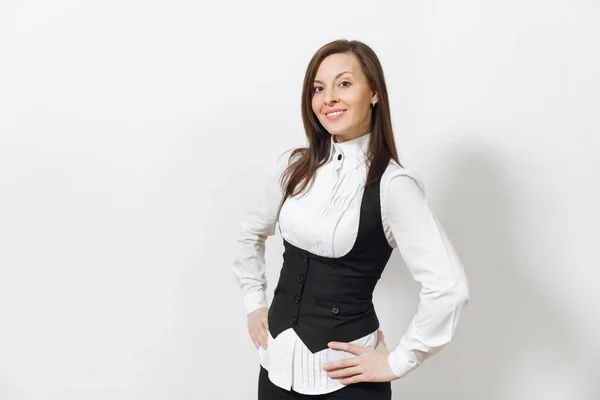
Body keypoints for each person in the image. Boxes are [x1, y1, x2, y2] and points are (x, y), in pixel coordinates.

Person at [232, 39, 470, 399]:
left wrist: (398, 361)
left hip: (348, 385)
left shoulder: (393, 186)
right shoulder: (296, 169)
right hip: (275, 371)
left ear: (373, 92)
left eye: (343, 83)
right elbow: (249, 232)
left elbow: (448, 289)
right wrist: (254, 303)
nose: (328, 97)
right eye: (318, 88)